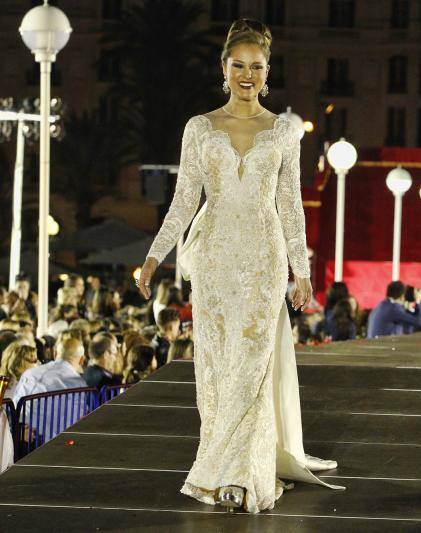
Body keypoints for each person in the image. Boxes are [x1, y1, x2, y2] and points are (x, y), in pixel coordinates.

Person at [136, 18, 340, 514]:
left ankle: (239, 479)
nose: (247, 74)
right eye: (238, 65)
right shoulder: (200, 128)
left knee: (251, 367)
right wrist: (152, 258)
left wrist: (301, 269)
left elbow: (291, 206)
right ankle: (223, 462)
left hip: (264, 260)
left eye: (256, 66)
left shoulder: (284, 132)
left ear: (267, 72)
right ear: (223, 68)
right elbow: (184, 201)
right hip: (213, 261)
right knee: (216, 368)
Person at [11, 338, 87, 406]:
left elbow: (14, 405)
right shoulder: (80, 385)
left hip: (21, 421)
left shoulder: (29, 373)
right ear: (82, 360)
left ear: (55, 354)